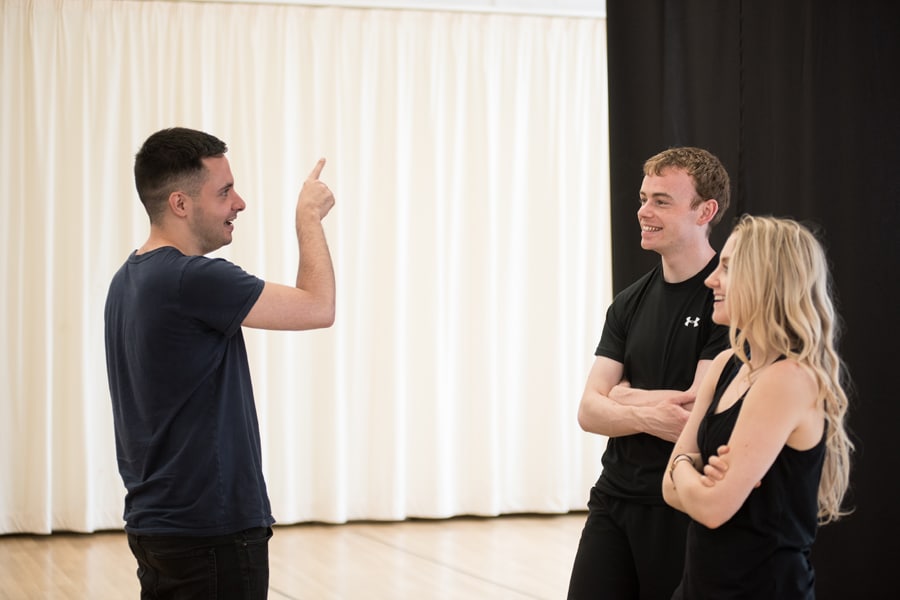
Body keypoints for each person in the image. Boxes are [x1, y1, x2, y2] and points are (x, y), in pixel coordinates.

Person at [104, 126, 336, 599]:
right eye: (224, 192)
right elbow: (318, 307)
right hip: (210, 531)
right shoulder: (192, 278)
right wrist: (308, 218)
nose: (239, 203)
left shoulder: (127, 280)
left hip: (160, 527)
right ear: (180, 204)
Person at [567, 146, 732, 600]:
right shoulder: (628, 302)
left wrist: (623, 399)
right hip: (614, 498)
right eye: (643, 198)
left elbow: (693, 412)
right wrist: (644, 413)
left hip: (677, 503)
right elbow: (587, 410)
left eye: (662, 201)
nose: (643, 211)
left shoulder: (727, 300)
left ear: (706, 211)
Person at [663, 214, 853, 598]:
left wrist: (685, 464)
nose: (710, 280)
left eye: (728, 269)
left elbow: (712, 508)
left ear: (766, 280)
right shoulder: (724, 365)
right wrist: (692, 474)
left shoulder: (789, 379)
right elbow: (666, 488)